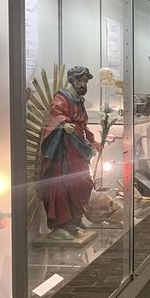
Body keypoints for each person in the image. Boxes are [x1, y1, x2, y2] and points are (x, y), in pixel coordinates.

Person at [40, 66, 102, 239]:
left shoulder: (79, 100)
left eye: (86, 81)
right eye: (80, 81)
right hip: (64, 150)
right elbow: (53, 116)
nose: (83, 84)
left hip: (79, 148)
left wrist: (93, 141)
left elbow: (83, 125)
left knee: (83, 182)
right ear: (72, 80)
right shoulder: (62, 98)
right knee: (65, 184)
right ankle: (62, 224)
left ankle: (76, 218)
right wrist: (63, 125)